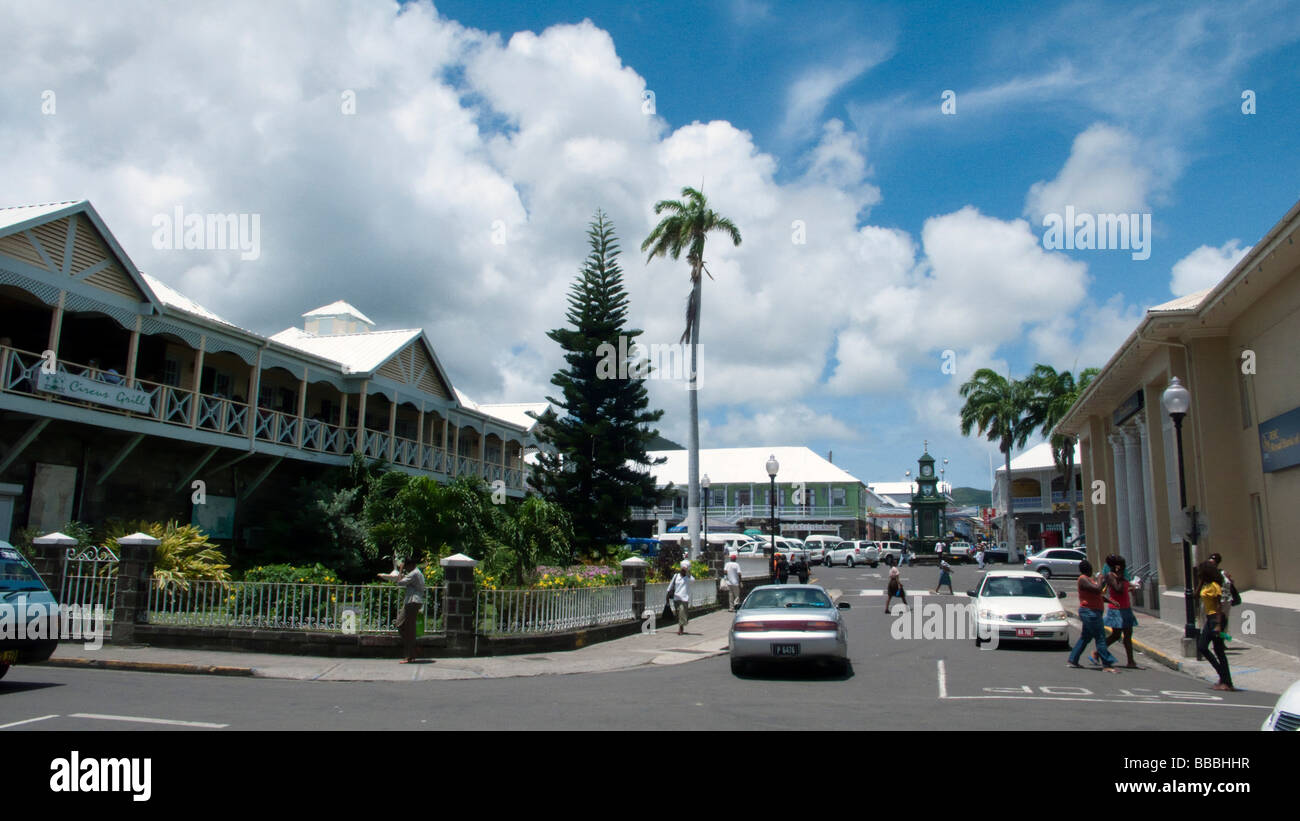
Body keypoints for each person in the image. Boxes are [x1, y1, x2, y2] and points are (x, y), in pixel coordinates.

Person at [1068, 559, 1119, 672]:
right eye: (1091, 568)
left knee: (1085, 637)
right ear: (1087, 569)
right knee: (1100, 637)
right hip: (1089, 612)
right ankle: (1107, 664)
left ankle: (1073, 659)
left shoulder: (1089, 579)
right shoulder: (1083, 579)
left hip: (1094, 611)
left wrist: (1111, 601)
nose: (1092, 570)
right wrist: (1100, 580)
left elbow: (1098, 595)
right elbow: (1097, 589)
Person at [1196, 560, 1236, 691]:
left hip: (1216, 619)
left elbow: (1219, 606)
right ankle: (1224, 678)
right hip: (1210, 618)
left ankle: (1226, 680)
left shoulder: (1214, 586)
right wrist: (1201, 582)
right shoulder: (1206, 585)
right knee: (1208, 648)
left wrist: (1218, 625)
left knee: (1213, 649)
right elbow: (1196, 595)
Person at [379, 557, 425, 663]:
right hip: (413, 601)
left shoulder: (414, 573)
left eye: (406, 567)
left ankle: (410, 655)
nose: (406, 569)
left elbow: (400, 582)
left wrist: (400, 570)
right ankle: (413, 650)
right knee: (406, 627)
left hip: (412, 602)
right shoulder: (417, 573)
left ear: (410, 565)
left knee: (405, 626)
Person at [1101, 554, 1139, 668]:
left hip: (1126, 608)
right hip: (1116, 610)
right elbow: (1118, 589)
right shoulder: (1110, 576)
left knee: (1128, 635)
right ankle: (1098, 652)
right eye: (1122, 566)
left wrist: (1132, 587)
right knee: (1116, 635)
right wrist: (1120, 576)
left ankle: (1131, 661)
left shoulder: (1120, 577)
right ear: (1117, 566)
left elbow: (1124, 588)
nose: (1124, 568)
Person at [1209, 553, 1236, 642]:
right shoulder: (1208, 574)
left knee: (1225, 621)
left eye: (1215, 562)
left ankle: (1223, 640)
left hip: (1226, 600)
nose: (1213, 564)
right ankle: (1217, 640)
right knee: (1216, 621)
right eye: (1211, 562)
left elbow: (1231, 582)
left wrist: (1230, 580)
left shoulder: (1223, 572)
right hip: (1216, 601)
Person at [668, 559, 693, 634]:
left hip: (684, 598)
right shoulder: (676, 576)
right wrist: (667, 597)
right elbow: (670, 586)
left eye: (684, 570)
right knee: (678, 614)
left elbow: (693, 580)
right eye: (682, 570)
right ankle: (682, 624)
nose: (683, 571)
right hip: (676, 598)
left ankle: (680, 628)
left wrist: (688, 572)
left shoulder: (688, 578)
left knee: (682, 612)